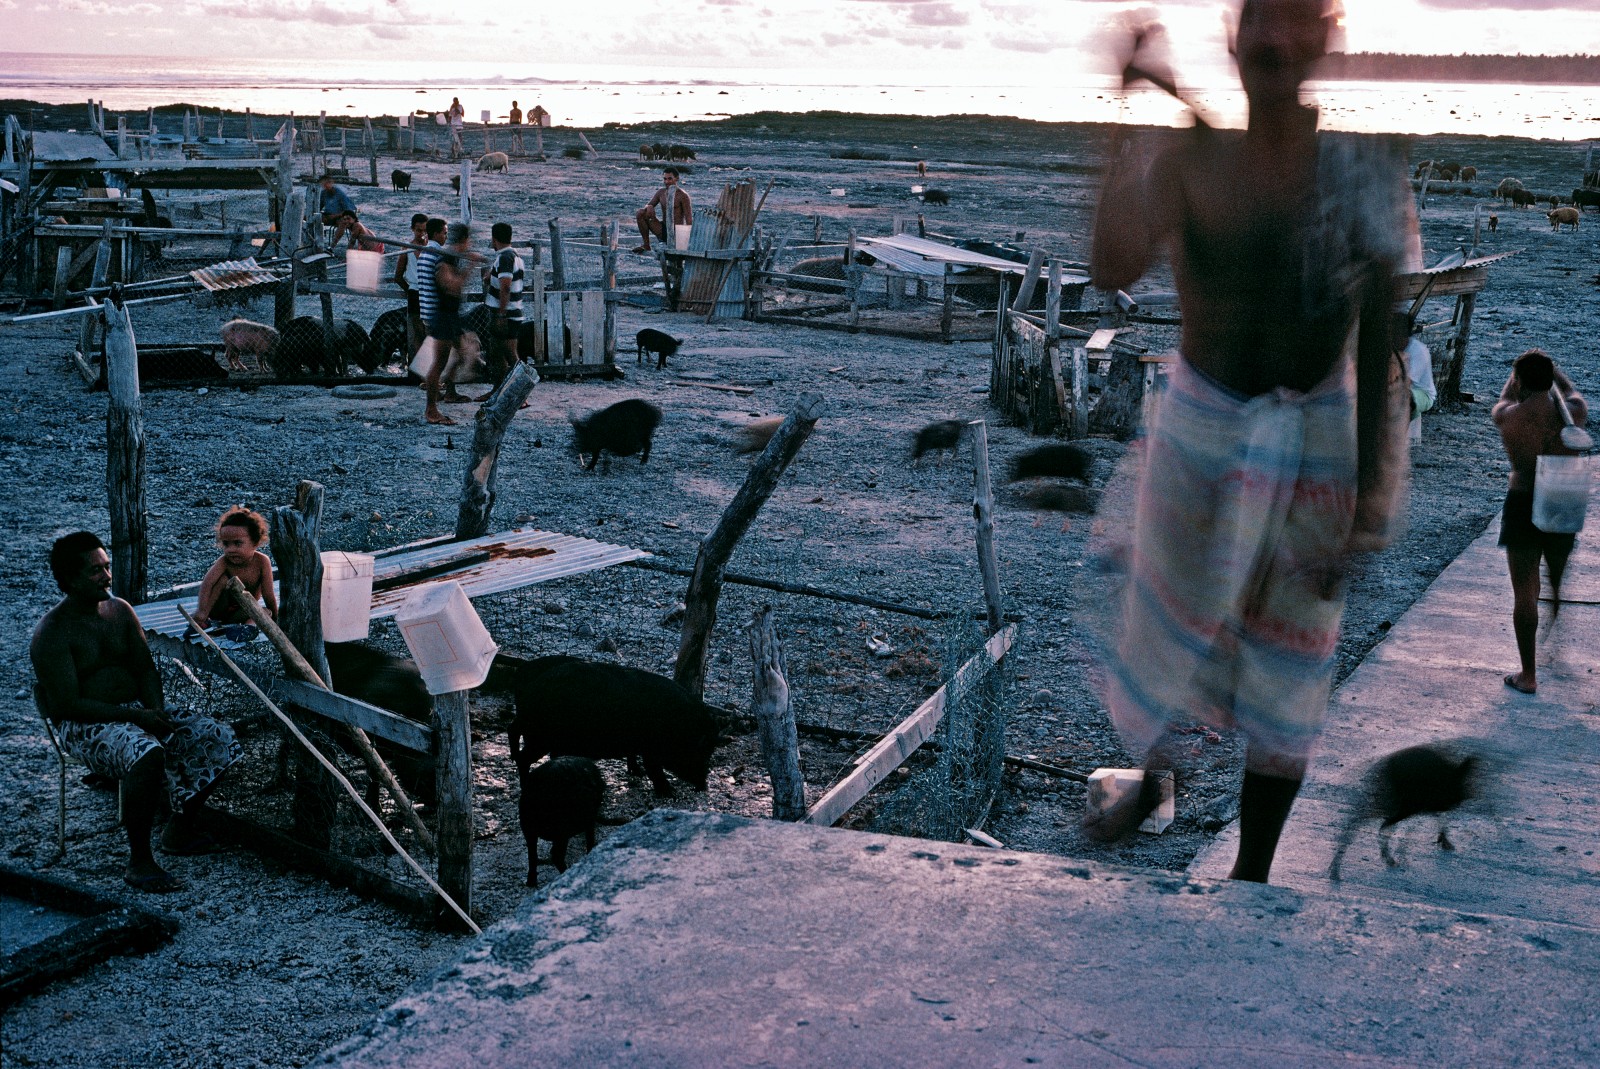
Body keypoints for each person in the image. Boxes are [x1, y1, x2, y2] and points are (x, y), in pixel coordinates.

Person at [1084, 0, 1415, 882]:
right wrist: (1121, 121)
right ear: (1233, 39)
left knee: (1291, 664)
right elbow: (1110, 266)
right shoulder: (1189, 161)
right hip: (1199, 429)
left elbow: (1379, 335)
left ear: (1325, 39)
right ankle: (1151, 775)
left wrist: (1371, 498)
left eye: (1296, 18)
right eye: (1259, 18)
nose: (1274, 37)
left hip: (1318, 440)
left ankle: (1254, 872)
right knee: (1165, 629)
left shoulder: (1361, 170)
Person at [31, 532, 243, 893]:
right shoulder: (52, 633)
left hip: (135, 712)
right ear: (69, 580)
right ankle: (139, 860)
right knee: (146, 752)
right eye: (95, 571)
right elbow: (66, 704)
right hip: (85, 723)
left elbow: (146, 670)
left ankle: (179, 827)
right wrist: (138, 720)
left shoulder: (120, 612)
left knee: (217, 735)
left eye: (106, 566)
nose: (106, 576)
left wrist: (155, 712)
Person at [1492, 349, 1587, 695]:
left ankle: (1528, 674)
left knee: (1525, 590)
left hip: (1523, 498)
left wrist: (1517, 375)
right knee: (1554, 577)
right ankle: (1556, 607)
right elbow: (1574, 392)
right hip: (1563, 496)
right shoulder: (1574, 413)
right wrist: (1555, 374)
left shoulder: (1509, 417)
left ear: (1519, 381)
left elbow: (1503, 399)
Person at [419, 220, 481, 424]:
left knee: (464, 352)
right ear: (465, 240)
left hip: (451, 316)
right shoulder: (445, 258)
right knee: (438, 364)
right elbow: (451, 287)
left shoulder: (453, 256)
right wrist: (471, 266)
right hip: (443, 316)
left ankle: (449, 391)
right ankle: (431, 409)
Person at [192, 507, 277, 631]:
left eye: (237, 543)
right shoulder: (224, 561)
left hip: (242, 611)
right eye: (226, 544)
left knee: (266, 612)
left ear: (255, 542)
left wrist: (276, 617)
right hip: (218, 610)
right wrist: (201, 611)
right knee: (222, 580)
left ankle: (247, 628)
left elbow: (268, 594)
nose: (230, 549)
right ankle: (203, 620)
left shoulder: (262, 562)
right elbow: (207, 584)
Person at [482, 221, 525, 369]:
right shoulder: (514, 255)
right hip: (512, 312)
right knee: (498, 353)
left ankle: (521, 385)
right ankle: (499, 388)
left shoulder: (504, 258)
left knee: (509, 354)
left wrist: (501, 314)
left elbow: (505, 287)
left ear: (494, 239)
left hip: (506, 314)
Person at [1393, 311, 1436, 444]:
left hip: (1422, 394)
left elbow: (1406, 382)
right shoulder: (1393, 346)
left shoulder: (1419, 351)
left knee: (1403, 396)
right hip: (1400, 387)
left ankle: (1401, 437)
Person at [633, 166, 692, 254]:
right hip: (663, 230)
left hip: (677, 233)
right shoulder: (661, 192)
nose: (666, 182)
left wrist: (687, 240)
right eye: (665, 179)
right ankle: (646, 245)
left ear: (677, 178)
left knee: (676, 261)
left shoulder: (683, 195)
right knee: (640, 213)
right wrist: (649, 206)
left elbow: (689, 218)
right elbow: (649, 204)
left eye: (669, 179)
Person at [394, 212, 430, 354]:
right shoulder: (406, 248)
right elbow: (398, 276)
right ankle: (417, 369)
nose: (422, 234)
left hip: (430, 293)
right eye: (418, 230)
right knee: (418, 333)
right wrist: (410, 290)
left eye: (425, 230)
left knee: (431, 333)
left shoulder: (432, 248)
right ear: (412, 229)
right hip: (415, 293)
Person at [318, 174, 358, 248]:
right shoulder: (324, 194)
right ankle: (316, 243)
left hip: (341, 216)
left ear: (331, 183)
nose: (326, 186)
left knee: (342, 223)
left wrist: (335, 216)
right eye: (323, 185)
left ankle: (332, 246)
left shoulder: (339, 193)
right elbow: (318, 208)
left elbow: (348, 211)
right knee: (314, 218)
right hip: (329, 216)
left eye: (327, 183)